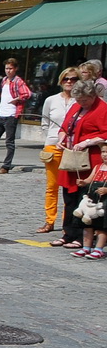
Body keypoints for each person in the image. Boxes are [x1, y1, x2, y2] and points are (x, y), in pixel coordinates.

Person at [56, 64, 107, 250]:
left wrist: (87, 141)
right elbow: (65, 126)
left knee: (83, 198)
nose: (82, 103)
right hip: (72, 159)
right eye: (79, 100)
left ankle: (81, 236)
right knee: (69, 197)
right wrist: (61, 138)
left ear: (93, 96)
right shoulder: (76, 106)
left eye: (85, 100)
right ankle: (68, 233)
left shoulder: (102, 109)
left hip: (89, 160)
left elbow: (105, 132)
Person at [37, 67, 81, 233]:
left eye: (73, 79)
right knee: (52, 186)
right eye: (66, 79)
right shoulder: (51, 100)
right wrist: (51, 138)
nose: (69, 82)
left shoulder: (80, 101)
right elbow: (45, 123)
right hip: (53, 146)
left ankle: (66, 223)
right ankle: (49, 221)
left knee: (69, 188)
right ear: (61, 81)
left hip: (72, 149)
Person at [0, 57, 32, 173]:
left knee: (9, 142)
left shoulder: (18, 81)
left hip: (11, 114)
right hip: (2, 114)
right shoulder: (4, 80)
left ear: (15, 69)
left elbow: (27, 93)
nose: (8, 71)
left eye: (10, 68)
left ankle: (6, 166)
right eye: (6, 68)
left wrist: (17, 99)